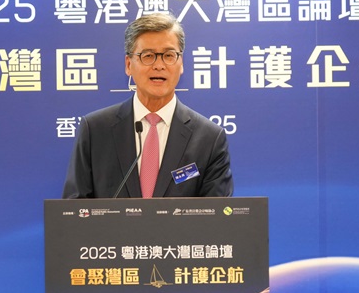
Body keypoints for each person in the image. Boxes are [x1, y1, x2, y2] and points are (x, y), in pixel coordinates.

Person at [62, 12, 233, 199]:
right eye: (148, 55)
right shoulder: (95, 130)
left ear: (181, 63)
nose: (159, 65)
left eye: (169, 55)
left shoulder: (209, 138)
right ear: (129, 64)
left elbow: (217, 214)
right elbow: (75, 209)